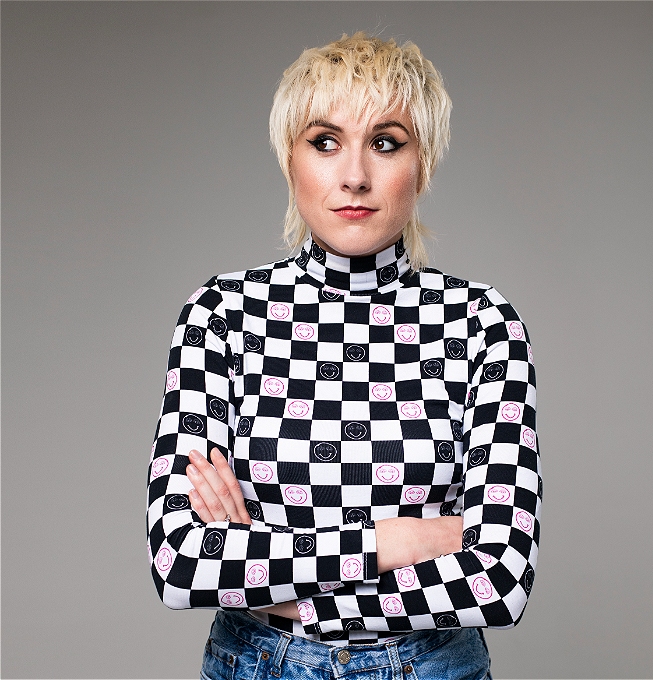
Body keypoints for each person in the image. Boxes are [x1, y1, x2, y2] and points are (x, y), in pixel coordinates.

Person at [147, 33, 541, 680]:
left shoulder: (481, 324)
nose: (354, 174)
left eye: (386, 142)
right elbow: (181, 561)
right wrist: (401, 540)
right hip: (257, 665)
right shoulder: (223, 316)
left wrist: (267, 572)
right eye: (324, 142)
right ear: (289, 158)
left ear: (427, 161)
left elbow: (499, 579)